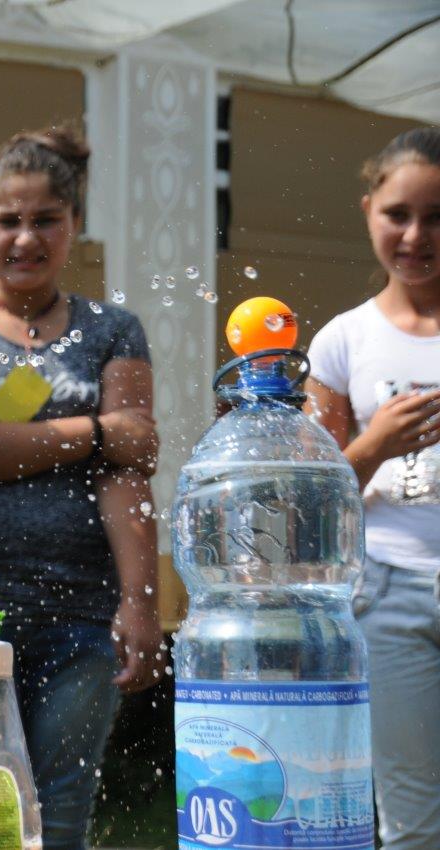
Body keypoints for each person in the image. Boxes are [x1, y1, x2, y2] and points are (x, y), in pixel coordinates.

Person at [0, 128, 163, 850]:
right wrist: (93, 430)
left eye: (46, 219)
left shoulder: (115, 329)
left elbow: (132, 461)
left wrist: (140, 602)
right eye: (7, 220)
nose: (26, 237)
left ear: (74, 223)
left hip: (82, 613)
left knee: (61, 811)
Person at [304, 126, 440, 850]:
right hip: (388, 594)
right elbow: (314, 500)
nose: (416, 236)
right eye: (398, 214)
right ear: (367, 212)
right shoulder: (343, 341)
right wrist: (375, 444)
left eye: (437, 217)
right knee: (413, 819)